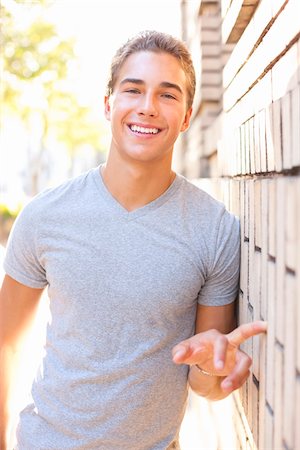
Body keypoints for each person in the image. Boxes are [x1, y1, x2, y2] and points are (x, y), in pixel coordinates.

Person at [0, 30, 267, 450]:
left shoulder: (215, 229)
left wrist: (214, 370)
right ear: (109, 105)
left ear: (186, 116)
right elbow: (6, 342)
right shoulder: (44, 216)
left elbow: (205, 383)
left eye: (167, 94)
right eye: (133, 90)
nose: (147, 107)